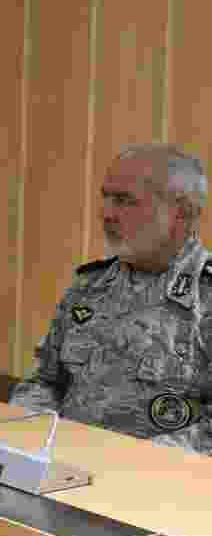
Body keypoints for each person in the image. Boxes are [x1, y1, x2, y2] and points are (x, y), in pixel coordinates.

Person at [12, 143, 212, 454]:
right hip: (63, 469)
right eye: (105, 198)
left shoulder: (206, 298)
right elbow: (46, 383)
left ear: (181, 213)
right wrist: (27, 430)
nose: (105, 213)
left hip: (158, 487)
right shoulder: (90, 286)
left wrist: (136, 463)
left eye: (125, 201)